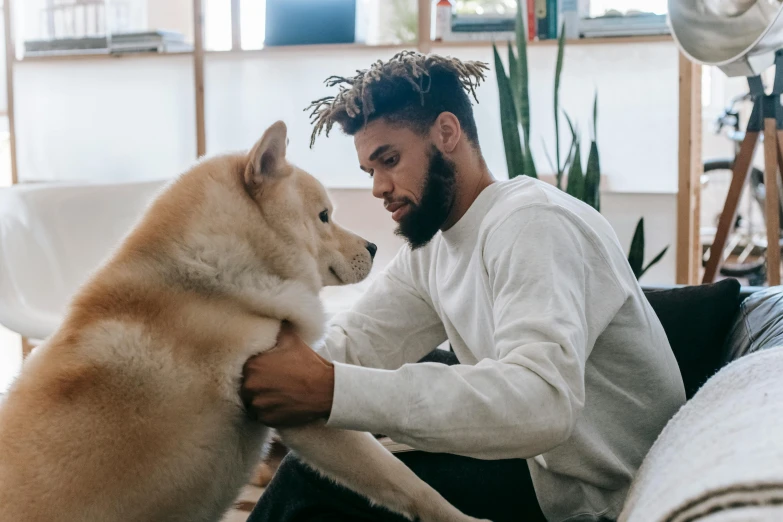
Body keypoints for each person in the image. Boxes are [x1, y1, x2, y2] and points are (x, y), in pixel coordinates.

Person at [240, 51, 685, 522]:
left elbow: (542, 403)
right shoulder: (433, 246)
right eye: (370, 171)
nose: (378, 188)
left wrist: (331, 389)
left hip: (606, 500)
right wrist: (238, 354)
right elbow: (357, 346)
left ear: (446, 133)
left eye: (389, 160)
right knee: (329, 471)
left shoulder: (532, 223)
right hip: (540, 474)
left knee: (311, 483)